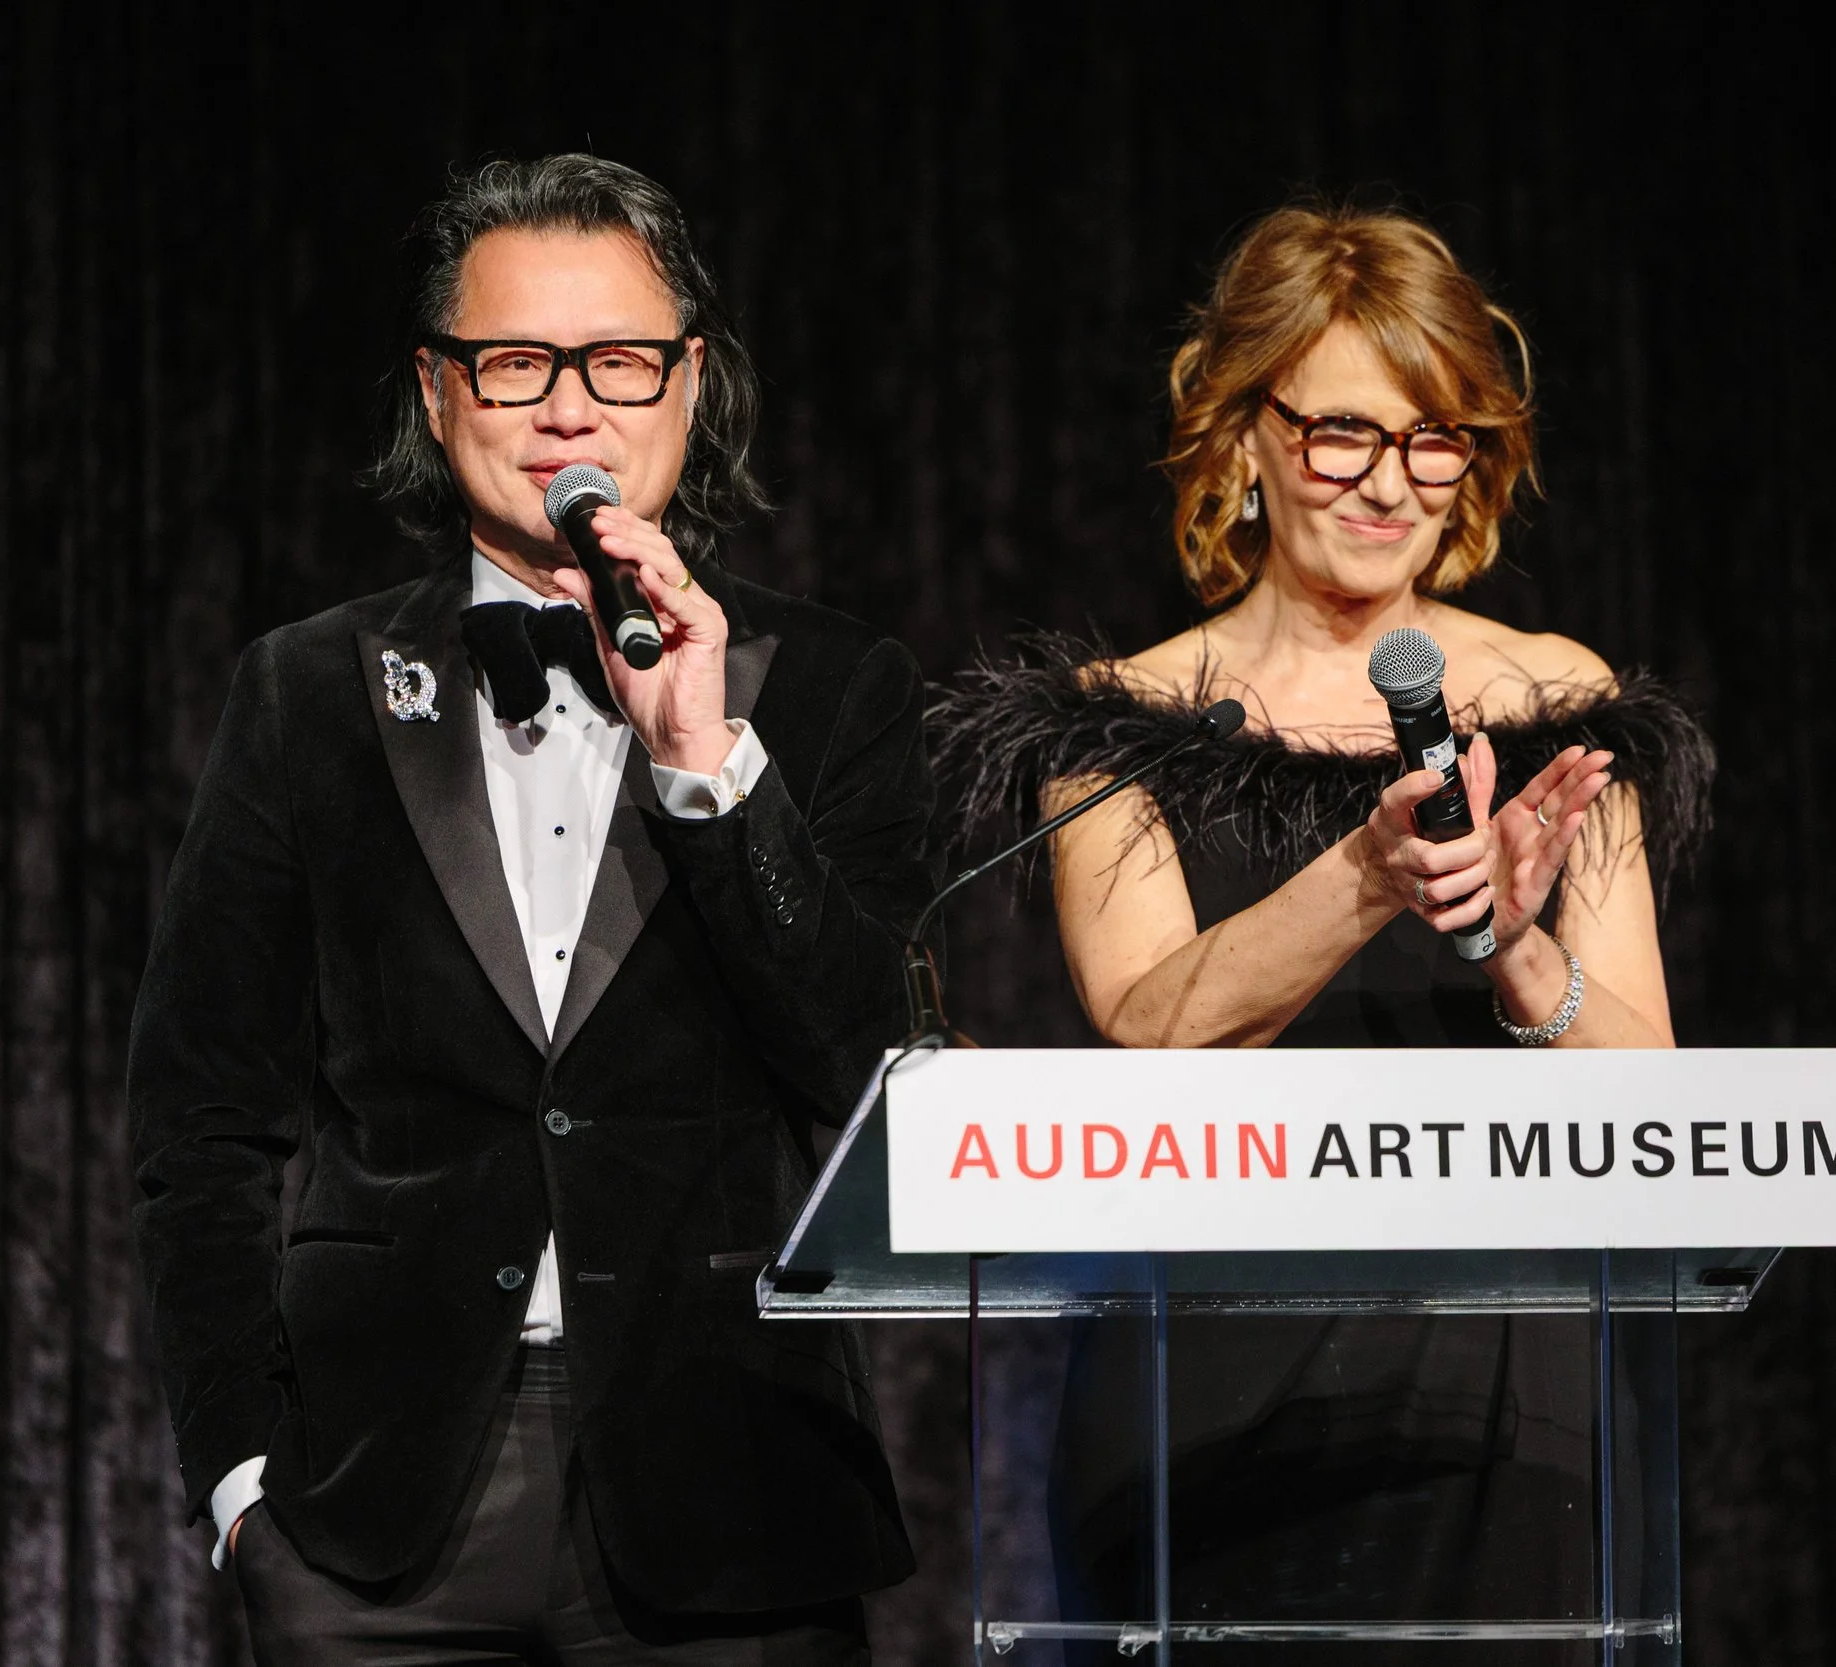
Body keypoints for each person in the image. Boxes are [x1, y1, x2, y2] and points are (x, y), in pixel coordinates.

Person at [128, 155, 927, 1666]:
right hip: (378, 1516)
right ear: (440, 396)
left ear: (693, 387)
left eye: (620, 362)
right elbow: (199, 1116)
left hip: (730, 1495)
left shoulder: (832, 691)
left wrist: (708, 765)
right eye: (516, 364)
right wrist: (242, 1477)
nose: (572, 409)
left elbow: (873, 1077)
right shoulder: (308, 688)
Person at [934, 206, 1713, 1659]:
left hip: (1494, 1402)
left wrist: (1518, 946)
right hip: (1206, 1411)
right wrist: (1367, 875)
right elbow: (1157, 1027)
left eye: (1436, 440)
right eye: (1344, 434)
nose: (1391, 485)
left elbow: (1647, 1092)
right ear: (1240, 437)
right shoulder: (1124, 722)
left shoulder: (1560, 701)